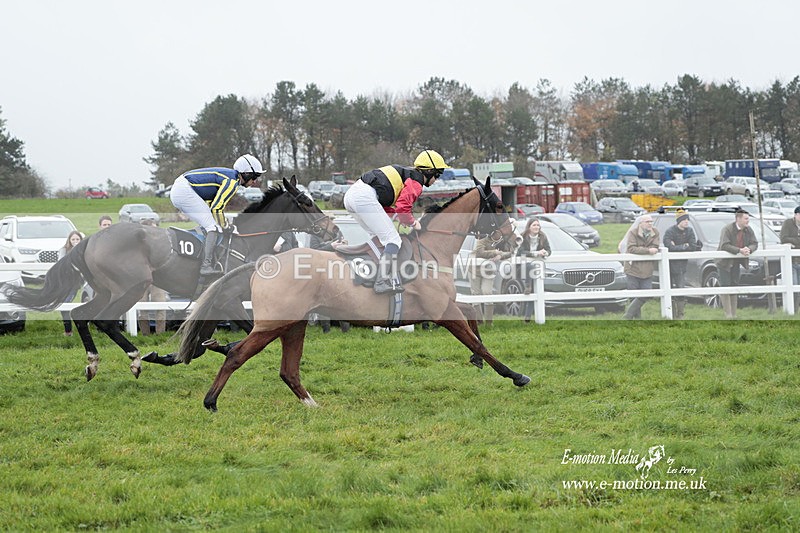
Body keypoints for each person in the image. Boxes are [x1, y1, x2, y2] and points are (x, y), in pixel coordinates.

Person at [343, 149, 449, 294]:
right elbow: (403, 207)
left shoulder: (407, 175)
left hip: (352, 196)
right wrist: (413, 223)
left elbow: (389, 209)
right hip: (364, 198)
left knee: (380, 239)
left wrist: (401, 220)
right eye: (438, 174)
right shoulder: (416, 182)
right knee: (393, 240)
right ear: (429, 171)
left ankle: (372, 273)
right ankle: (381, 281)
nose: (436, 179)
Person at [170, 154, 266, 276]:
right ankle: (206, 265)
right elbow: (216, 208)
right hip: (184, 190)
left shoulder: (231, 177)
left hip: (182, 188)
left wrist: (223, 223)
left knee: (211, 224)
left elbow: (212, 204)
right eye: (255, 177)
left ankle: (203, 254)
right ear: (246, 174)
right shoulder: (232, 182)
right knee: (213, 227)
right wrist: (226, 226)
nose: (255, 181)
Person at [716, 208, 758, 319]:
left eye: (748, 218)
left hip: (736, 262)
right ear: (738, 219)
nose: (747, 221)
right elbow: (724, 245)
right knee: (725, 286)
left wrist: (749, 249)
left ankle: (734, 314)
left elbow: (755, 243)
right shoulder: (727, 229)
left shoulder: (748, 230)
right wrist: (739, 250)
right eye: (746, 219)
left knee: (734, 285)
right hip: (724, 263)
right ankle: (728, 314)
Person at [662, 208, 702, 319]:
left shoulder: (689, 231)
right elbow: (668, 246)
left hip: (681, 266)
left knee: (680, 288)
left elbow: (693, 246)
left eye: (687, 220)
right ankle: (671, 314)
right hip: (669, 266)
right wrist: (684, 246)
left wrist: (678, 247)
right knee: (668, 289)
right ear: (679, 221)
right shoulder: (670, 231)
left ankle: (680, 315)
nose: (686, 222)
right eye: (684, 220)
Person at [622, 214, 660, 319]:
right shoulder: (633, 233)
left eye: (651, 221)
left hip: (647, 269)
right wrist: (647, 250)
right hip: (632, 269)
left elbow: (656, 246)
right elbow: (631, 248)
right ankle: (637, 320)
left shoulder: (655, 232)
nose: (650, 224)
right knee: (634, 295)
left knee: (646, 294)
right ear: (641, 223)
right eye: (647, 222)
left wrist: (647, 249)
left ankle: (627, 316)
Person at [470, 235, 514, 326]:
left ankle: (489, 323)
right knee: (476, 293)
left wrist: (500, 256)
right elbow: (480, 252)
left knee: (487, 292)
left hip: (489, 270)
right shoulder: (482, 239)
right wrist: (495, 252)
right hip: (475, 269)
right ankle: (479, 321)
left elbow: (511, 252)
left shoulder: (504, 240)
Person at [517, 218, 551, 323]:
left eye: (538, 225)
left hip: (537, 267)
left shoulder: (543, 237)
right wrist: (536, 253)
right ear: (529, 227)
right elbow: (520, 252)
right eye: (534, 225)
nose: (536, 227)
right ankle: (527, 284)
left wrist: (545, 253)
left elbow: (549, 250)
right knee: (529, 267)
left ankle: (527, 318)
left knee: (535, 291)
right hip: (523, 267)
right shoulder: (522, 237)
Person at [137, 219, 167, 335]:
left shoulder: (161, 244)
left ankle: (161, 335)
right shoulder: (138, 246)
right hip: (142, 281)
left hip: (158, 280)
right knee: (142, 308)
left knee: (161, 307)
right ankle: (145, 335)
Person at [58, 231, 84, 336]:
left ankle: (71, 330)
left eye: (77, 239)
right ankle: (68, 330)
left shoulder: (83, 251)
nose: (75, 241)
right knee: (63, 306)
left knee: (66, 304)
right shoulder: (64, 250)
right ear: (69, 240)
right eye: (73, 239)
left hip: (74, 283)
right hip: (63, 283)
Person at [779, 205, 800, 309]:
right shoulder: (788, 223)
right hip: (791, 261)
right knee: (794, 284)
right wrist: (796, 241)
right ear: (795, 215)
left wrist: (793, 242)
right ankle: (794, 309)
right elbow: (783, 238)